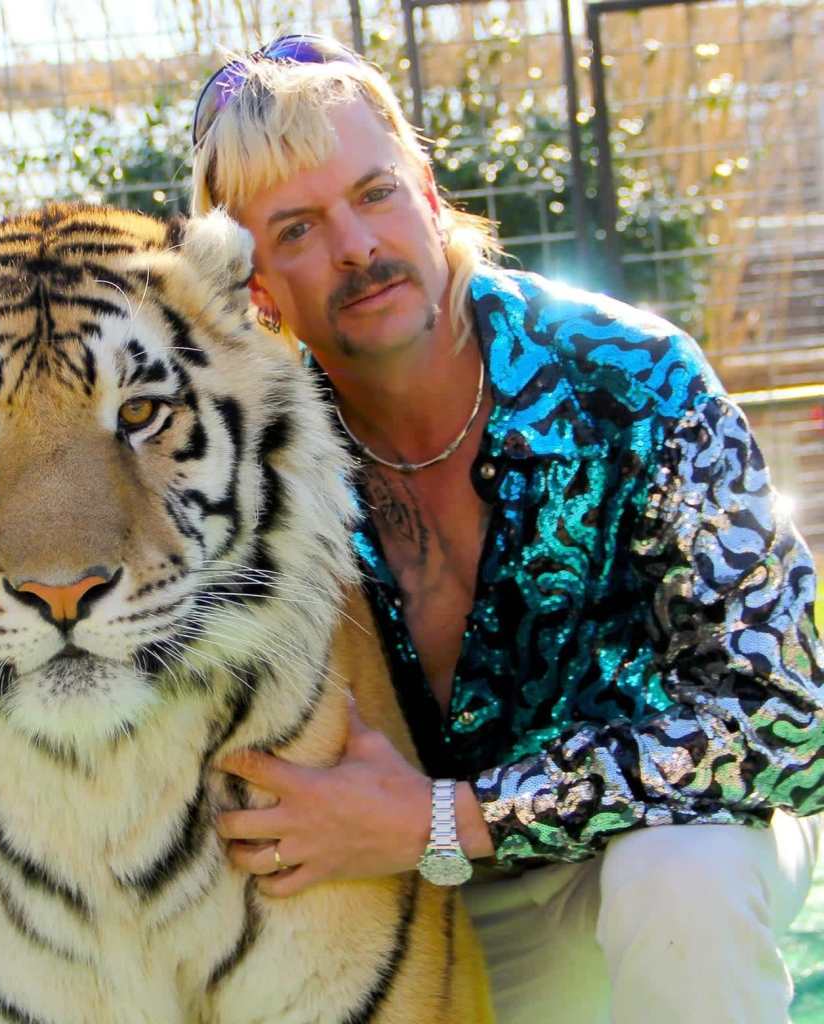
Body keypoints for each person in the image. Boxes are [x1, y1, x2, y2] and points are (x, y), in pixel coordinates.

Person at [188, 34, 824, 1024]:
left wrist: (455, 816)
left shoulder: (632, 377)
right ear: (256, 287)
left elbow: (787, 718)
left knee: (681, 880)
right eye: (299, 228)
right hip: (423, 894)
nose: (355, 245)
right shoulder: (252, 468)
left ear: (428, 194)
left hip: (647, 846)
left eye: (375, 193)